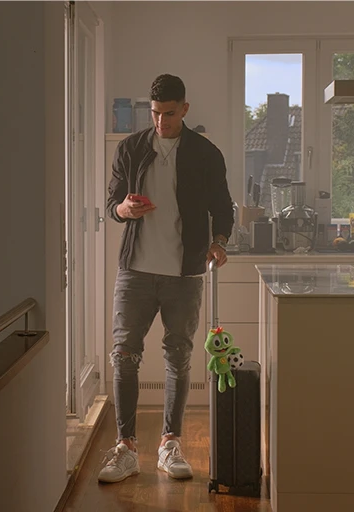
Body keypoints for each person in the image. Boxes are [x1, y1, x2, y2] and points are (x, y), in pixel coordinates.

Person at [98, 74, 234, 483]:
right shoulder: (131, 148)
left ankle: (169, 444)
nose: (161, 122)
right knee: (124, 355)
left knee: (178, 357)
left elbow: (222, 207)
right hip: (135, 270)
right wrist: (124, 209)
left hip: (184, 272)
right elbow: (111, 204)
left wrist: (220, 241)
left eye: (169, 114)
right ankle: (126, 448)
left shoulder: (206, 154)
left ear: (185, 109)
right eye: (155, 114)